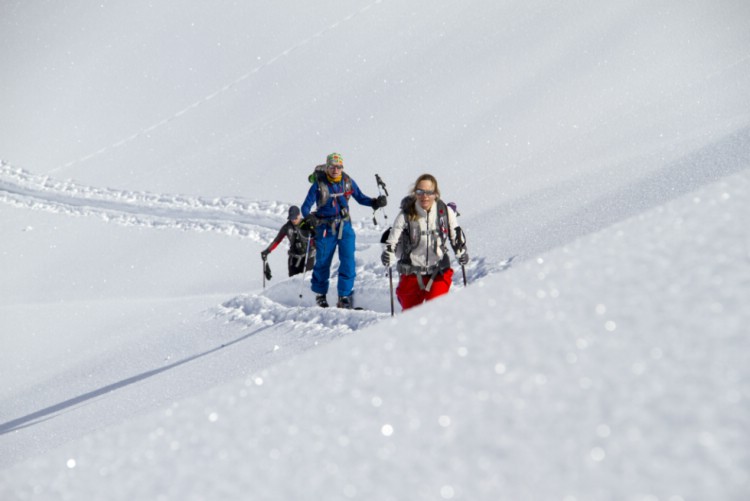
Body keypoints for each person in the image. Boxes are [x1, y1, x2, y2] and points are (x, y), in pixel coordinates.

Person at [301, 152, 387, 308]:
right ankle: (320, 295)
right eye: (332, 166)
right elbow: (305, 207)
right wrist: (309, 219)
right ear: (327, 167)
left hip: (345, 226)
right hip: (325, 229)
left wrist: (375, 202)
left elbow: (360, 198)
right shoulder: (318, 185)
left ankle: (344, 297)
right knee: (322, 262)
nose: (335, 170)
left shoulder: (347, 182)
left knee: (348, 261)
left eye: (339, 167)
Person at [381, 173, 469, 310]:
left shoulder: (444, 211)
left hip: (438, 272)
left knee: (435, 311)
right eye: (420, 192)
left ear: (436, 194)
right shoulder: (406, 213)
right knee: (410, 317)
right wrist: (388, 254)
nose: (425, 196)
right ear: (415, 193)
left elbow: (456, 236)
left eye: (429, 192)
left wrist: (461, 252)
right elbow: (392, 239)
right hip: (411, 275)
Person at [260, 205, 315, 278]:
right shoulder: (287, 227)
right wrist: (267, 251)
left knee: (306, 281)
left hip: (308, 258)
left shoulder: (307, 224)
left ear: (299, 215)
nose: (293, 220)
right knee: (293, 283)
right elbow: (277, 240)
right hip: (294, 259)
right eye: (291, 218)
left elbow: (316, 238)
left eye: (295, 218)